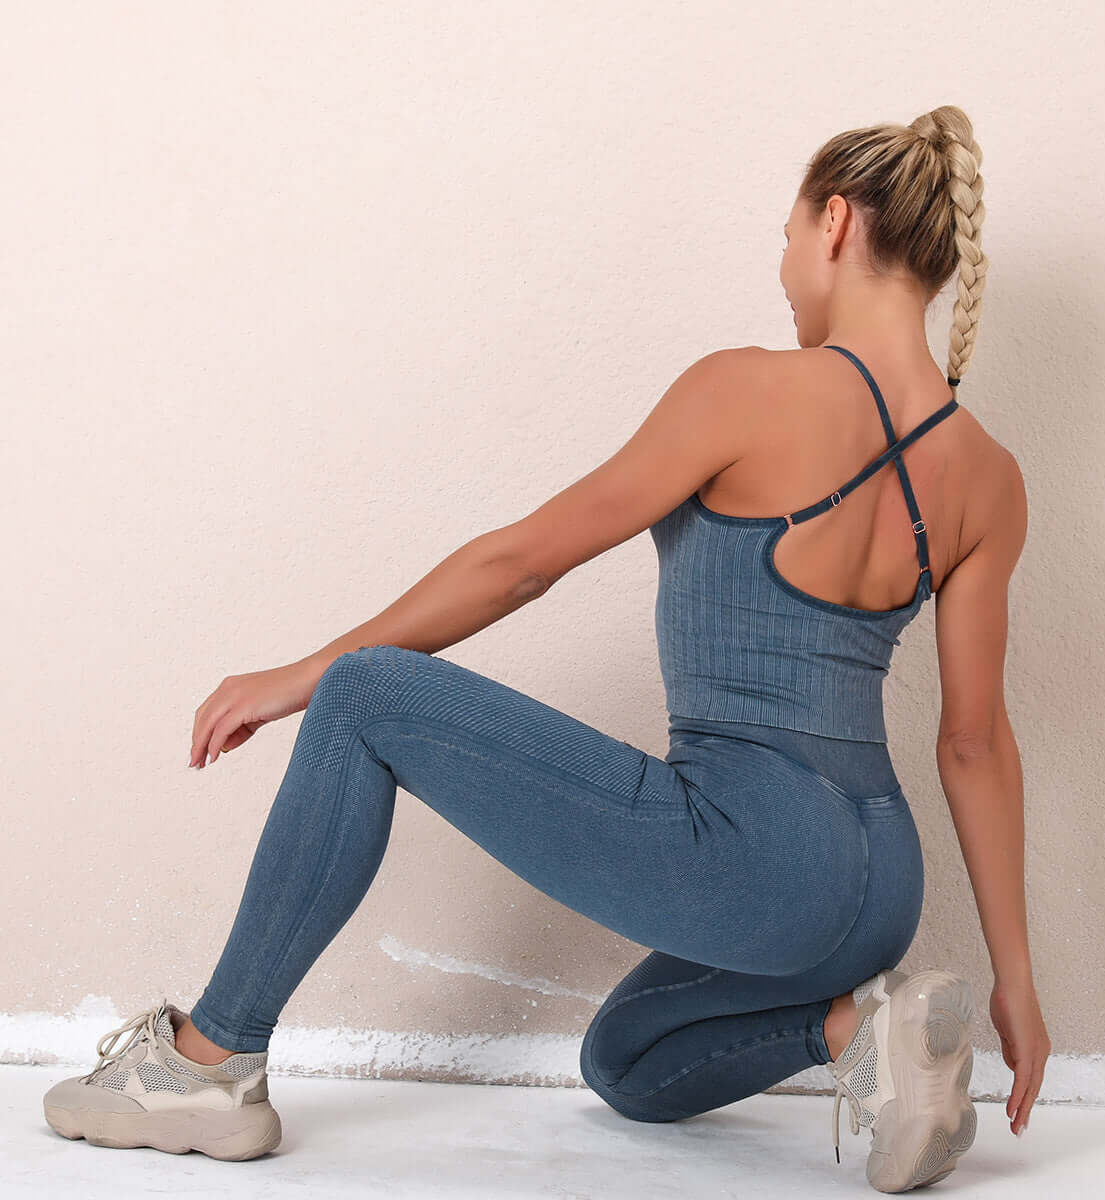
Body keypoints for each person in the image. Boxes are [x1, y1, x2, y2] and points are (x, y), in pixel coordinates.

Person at [43, 103, 1049, 1191]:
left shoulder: (748, 389)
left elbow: (522, 562)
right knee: (627, 1064)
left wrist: (300, 675)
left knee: (368, 693)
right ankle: (862, 1029)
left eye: (787, 237)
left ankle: (209, 1059)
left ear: (837, 225)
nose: (784, 267)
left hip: (757, 854)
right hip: (877, 884)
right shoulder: (986, 473)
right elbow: (973, 743)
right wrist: (1017, 978)